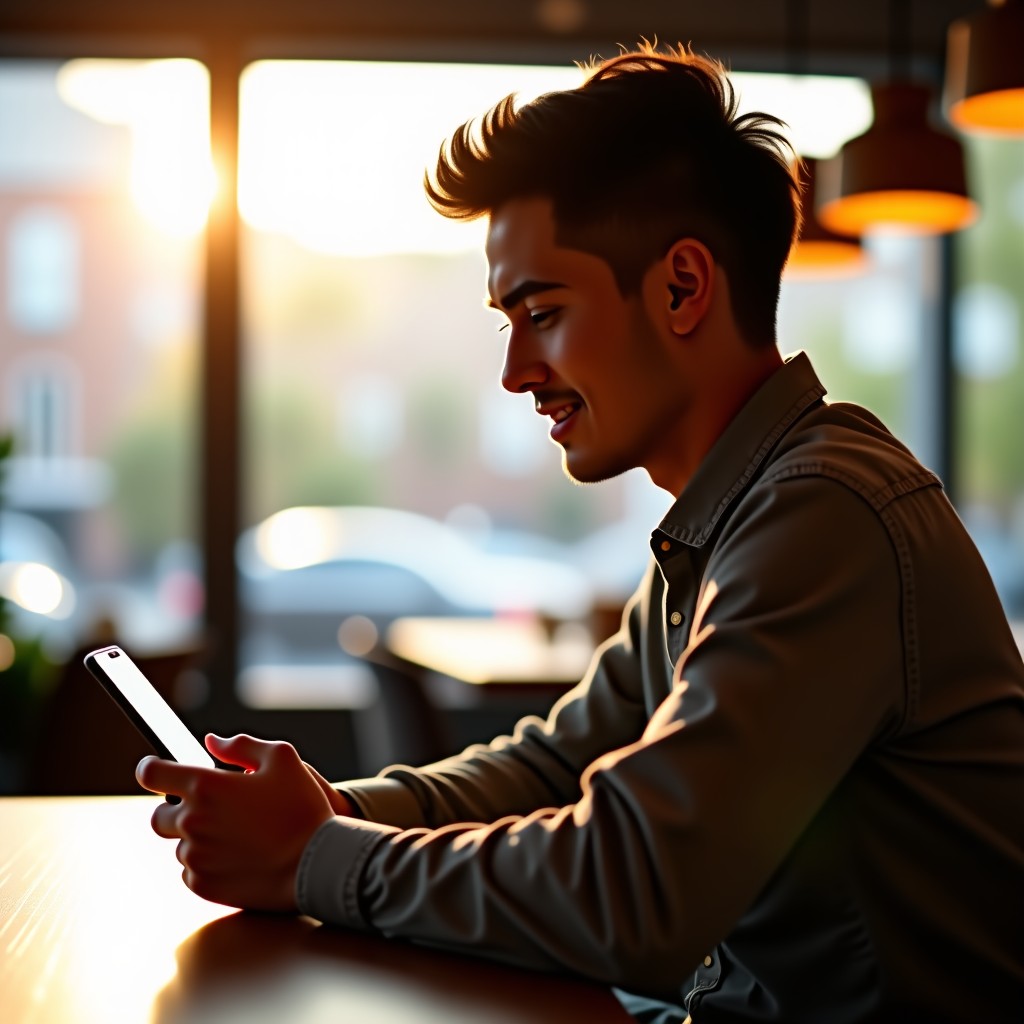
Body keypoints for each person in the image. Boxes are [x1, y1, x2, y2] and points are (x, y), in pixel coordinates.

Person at [137, 43, 1024, 1022]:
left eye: (543, 312)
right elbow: (552, 768)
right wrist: (329, 812)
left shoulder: (825, 515)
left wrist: (311, 858)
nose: (516, 370)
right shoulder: (725, 523)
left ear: (683, 287)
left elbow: (636, 891)